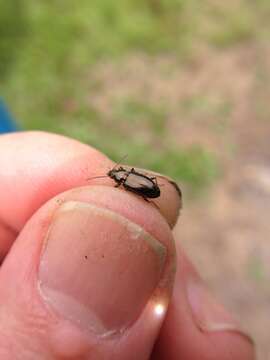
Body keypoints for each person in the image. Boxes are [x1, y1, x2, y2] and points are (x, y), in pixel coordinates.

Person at [0, 131, 255, 359]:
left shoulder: (124, 180)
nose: (115, 176)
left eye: (116, 175)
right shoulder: (125, 179)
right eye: (116, 175)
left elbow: (142, 189)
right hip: (149, 190)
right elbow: (143, 188)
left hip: (148, 191)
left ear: (120, 177)